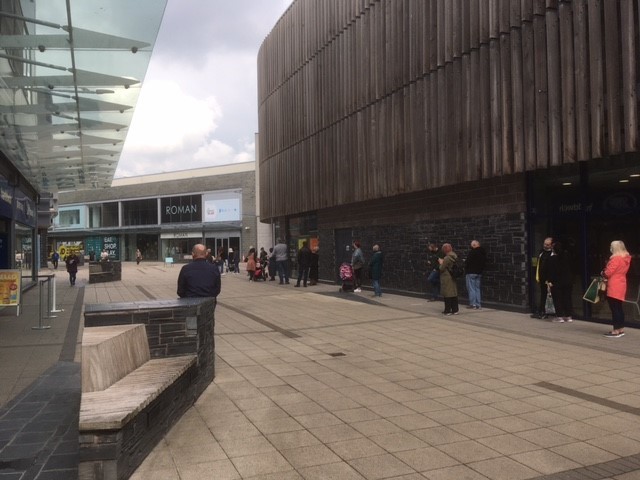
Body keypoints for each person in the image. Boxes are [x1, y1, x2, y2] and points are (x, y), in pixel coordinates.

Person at [602, 240, 631, 338]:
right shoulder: (626, 258)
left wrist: (603, 273)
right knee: (619, 307)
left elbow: (608, 272)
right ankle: (621, 329)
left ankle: (616, 330)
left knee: (614, 309)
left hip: (613, 285)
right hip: (621, 283)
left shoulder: (616, 259)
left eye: (611, 246)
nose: (610, 247)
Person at [545, 241, 573, 322]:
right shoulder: (567, 257)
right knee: (567, 298)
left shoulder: (551, 259)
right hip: (567, 281)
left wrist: (549, 281)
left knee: (557, 299)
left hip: (556, 282)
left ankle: (559, 316)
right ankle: (568, 316)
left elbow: (550, 271)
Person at [531, 237, 554, 319]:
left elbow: (551, 268)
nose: (545, 246)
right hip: (541, 278)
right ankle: (542, 311)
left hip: (548, 279)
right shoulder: (541, 252)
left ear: (551, 245)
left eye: (547, 244)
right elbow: (536, 263)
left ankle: (547, 311)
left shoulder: (552, 254)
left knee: (549, 296)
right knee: (543, 295)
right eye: (544, 244)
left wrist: (549, 279)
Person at [465, 240, 486, 309]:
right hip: (479, 272)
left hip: (471, 272)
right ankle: (478, 304)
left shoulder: (472, 252)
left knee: (471, 289)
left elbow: (467, 262)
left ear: (473, 245)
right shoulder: (483, 252)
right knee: (477, 289)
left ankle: (473, 304)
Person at [438, 243, 459, 315]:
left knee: (447, 294)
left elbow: (441, 268)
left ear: (444, 250)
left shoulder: (447, 258)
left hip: (447, 277)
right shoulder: (455, 256)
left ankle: (447, 310)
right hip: (453, 276)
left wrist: (441, 263)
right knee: (453, 293)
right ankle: (455, 310)